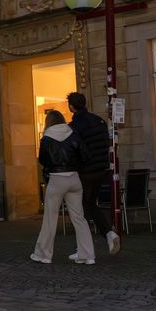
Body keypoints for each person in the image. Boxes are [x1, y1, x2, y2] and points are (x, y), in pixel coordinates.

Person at [31, 110, 96, 265]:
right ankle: (87, 255)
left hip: (56, 179)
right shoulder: (73, 134)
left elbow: (43, 160)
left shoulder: (46, 138)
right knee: (79, 218)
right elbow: (86, 156)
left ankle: (44, 254)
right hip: (74, 178)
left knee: (50, 218)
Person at [67, 92, 121, 256]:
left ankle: (83, 248)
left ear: (71, 106)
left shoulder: (75, 126)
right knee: (90, 204)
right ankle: (109, 234)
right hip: (101, 170)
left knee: (78, 210)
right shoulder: (99, 121)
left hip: (85, 172)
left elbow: (75, 150)